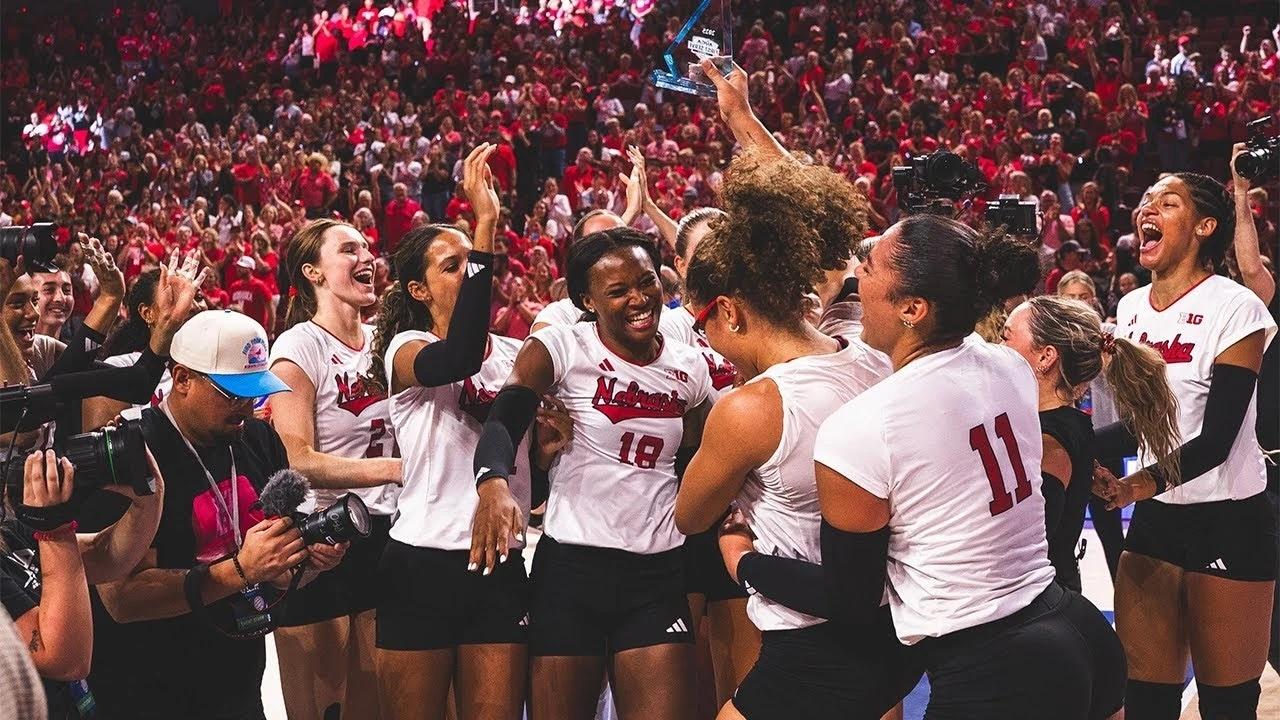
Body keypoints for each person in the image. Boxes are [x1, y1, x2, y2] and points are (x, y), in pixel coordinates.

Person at [804, 214, 1124, 718]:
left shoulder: (861, 424)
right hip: (1076, 627)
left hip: (996, 666)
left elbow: (853, 601)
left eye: (868, 267)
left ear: (913, 307)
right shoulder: (1009, 366)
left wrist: (745, 561)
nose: (855, 275)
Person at [673, 156, 915, 720]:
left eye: (703, 323)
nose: (707, 339)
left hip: (813, 639)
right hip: (895, 622)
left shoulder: (751, 408)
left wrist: (739, 549)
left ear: (729, 312)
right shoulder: (874, 359)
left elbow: (690, 515)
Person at [472, 227, 713, 720]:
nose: (638, 299)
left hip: (657, 572)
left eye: (646, 282)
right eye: (618, 291)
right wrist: (492, 481)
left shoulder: (691, 367)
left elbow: (699, 454)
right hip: (573, 571)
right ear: (587, 300)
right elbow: (504, 419)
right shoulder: (560, 346)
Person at [90, 310, 348, 719]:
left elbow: (277, 574)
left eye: (255, 393)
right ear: (182, 379)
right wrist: (240, 570)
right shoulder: (129, 451)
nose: (247, 408)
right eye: (232, 394)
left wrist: (305, 561)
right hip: (148, 691)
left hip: (238, 684)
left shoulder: (259, 439)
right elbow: (120, 599)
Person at [365, 144, 544, 720]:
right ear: (417, 291)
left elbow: (536, 460)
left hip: (499, 563)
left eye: (473, 261)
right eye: (452, 265)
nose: (468, 272)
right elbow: (461, 355)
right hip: (421, 562)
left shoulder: (518, 357)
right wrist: (485, 226)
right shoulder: (405, 349)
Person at [1095, 172, 1277, 719]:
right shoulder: (1131, 309)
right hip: (1155, 522)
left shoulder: (1236, 307)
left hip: (1229, 521)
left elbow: (1217, 439)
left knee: (1227, 707)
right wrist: (1080, 449)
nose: (1148, 208)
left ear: (1204, 226)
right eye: (1146, 200)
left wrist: (1136, 484)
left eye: (1168, 202)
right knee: (1145, 703)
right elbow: (1145, 425)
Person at [266, 218, 403, 720]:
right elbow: (297, 458)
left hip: (388, 534)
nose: (366, 257)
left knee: (376, 705)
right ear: (314, 272)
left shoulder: (387, 341)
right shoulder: (297, 347)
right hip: (325, 542)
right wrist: (394, 469)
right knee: (325, 708)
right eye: (348, 249)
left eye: (368, 247)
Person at [999, 295, 1179, 592]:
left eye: (1006, 337)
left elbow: (1020, 544)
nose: (998, 348)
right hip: (1047, 591)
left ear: (1046, 357)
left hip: (1034, 601)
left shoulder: (1050, 444)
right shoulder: (1062, 426)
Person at [1, 442, 166, 720]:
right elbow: (66, 660)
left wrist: (148, 497)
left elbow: (106, 556)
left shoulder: (9, 533)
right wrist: (55, 530)